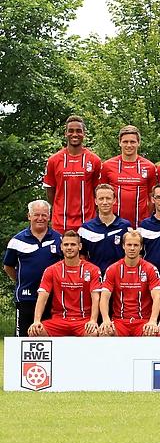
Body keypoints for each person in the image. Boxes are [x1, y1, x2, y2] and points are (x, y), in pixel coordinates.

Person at [3, 200, 63, 336]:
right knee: (22, 339)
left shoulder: (59, 240)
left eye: (44, 215)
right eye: (36, 215)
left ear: (49, 216)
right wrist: (21, 281)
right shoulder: (16, 241)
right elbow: (8, 267)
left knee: (51, 341)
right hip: (26, 298)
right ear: (29, 216)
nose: (40, 218)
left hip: (52, 299)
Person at [28, 231, 101, 337]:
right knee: (35, 332)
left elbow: (96, 298)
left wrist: (93, 320)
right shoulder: (51, 270)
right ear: (61, 247)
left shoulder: (93, 269)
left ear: (80, 247)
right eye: (66, 244)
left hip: (83, 320)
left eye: (73, 244)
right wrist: (36, 321)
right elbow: (42, 297)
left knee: (93, 333)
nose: (69, 248)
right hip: (59, 320)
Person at [43, 115, 102, 233]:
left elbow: (98, 191)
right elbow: (50, 191)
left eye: (78, 131)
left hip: (88, 221)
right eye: (71, 131)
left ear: (84, 134)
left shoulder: (94, 160)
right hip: (60, 222)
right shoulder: (54, 160)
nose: (75, 134)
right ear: (65, 133)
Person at [98, 230, 160, 337]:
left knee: (152, 333)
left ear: (141, 247)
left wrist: (153, 321)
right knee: (105, 333)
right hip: (119, 321)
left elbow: (157, 297)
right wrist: (106, 320)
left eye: (136, 245)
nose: (132, 248)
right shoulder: (113, 269)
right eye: (129, 245)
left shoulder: (150, 269)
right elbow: (104, 297)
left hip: (143, 321)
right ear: (123, 246)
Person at [99, 125, 157, 227]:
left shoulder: (149, 167)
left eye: (132, 142)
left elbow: (152, 198)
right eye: (125, 142)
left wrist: (146, 217)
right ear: (120, 143)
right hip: (113, 225)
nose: (129, 145)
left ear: (138, 143)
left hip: (140, 225)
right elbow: (101, 194)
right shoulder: (108, 166)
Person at [78, 183, 132, 276]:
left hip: (119, 277)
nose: (105, 202)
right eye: (101, 199)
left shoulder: (125, 226)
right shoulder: (85, 228)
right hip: (95, 277)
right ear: (95, 201)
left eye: (108, 198)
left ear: (114, 200)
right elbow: (81, 257)